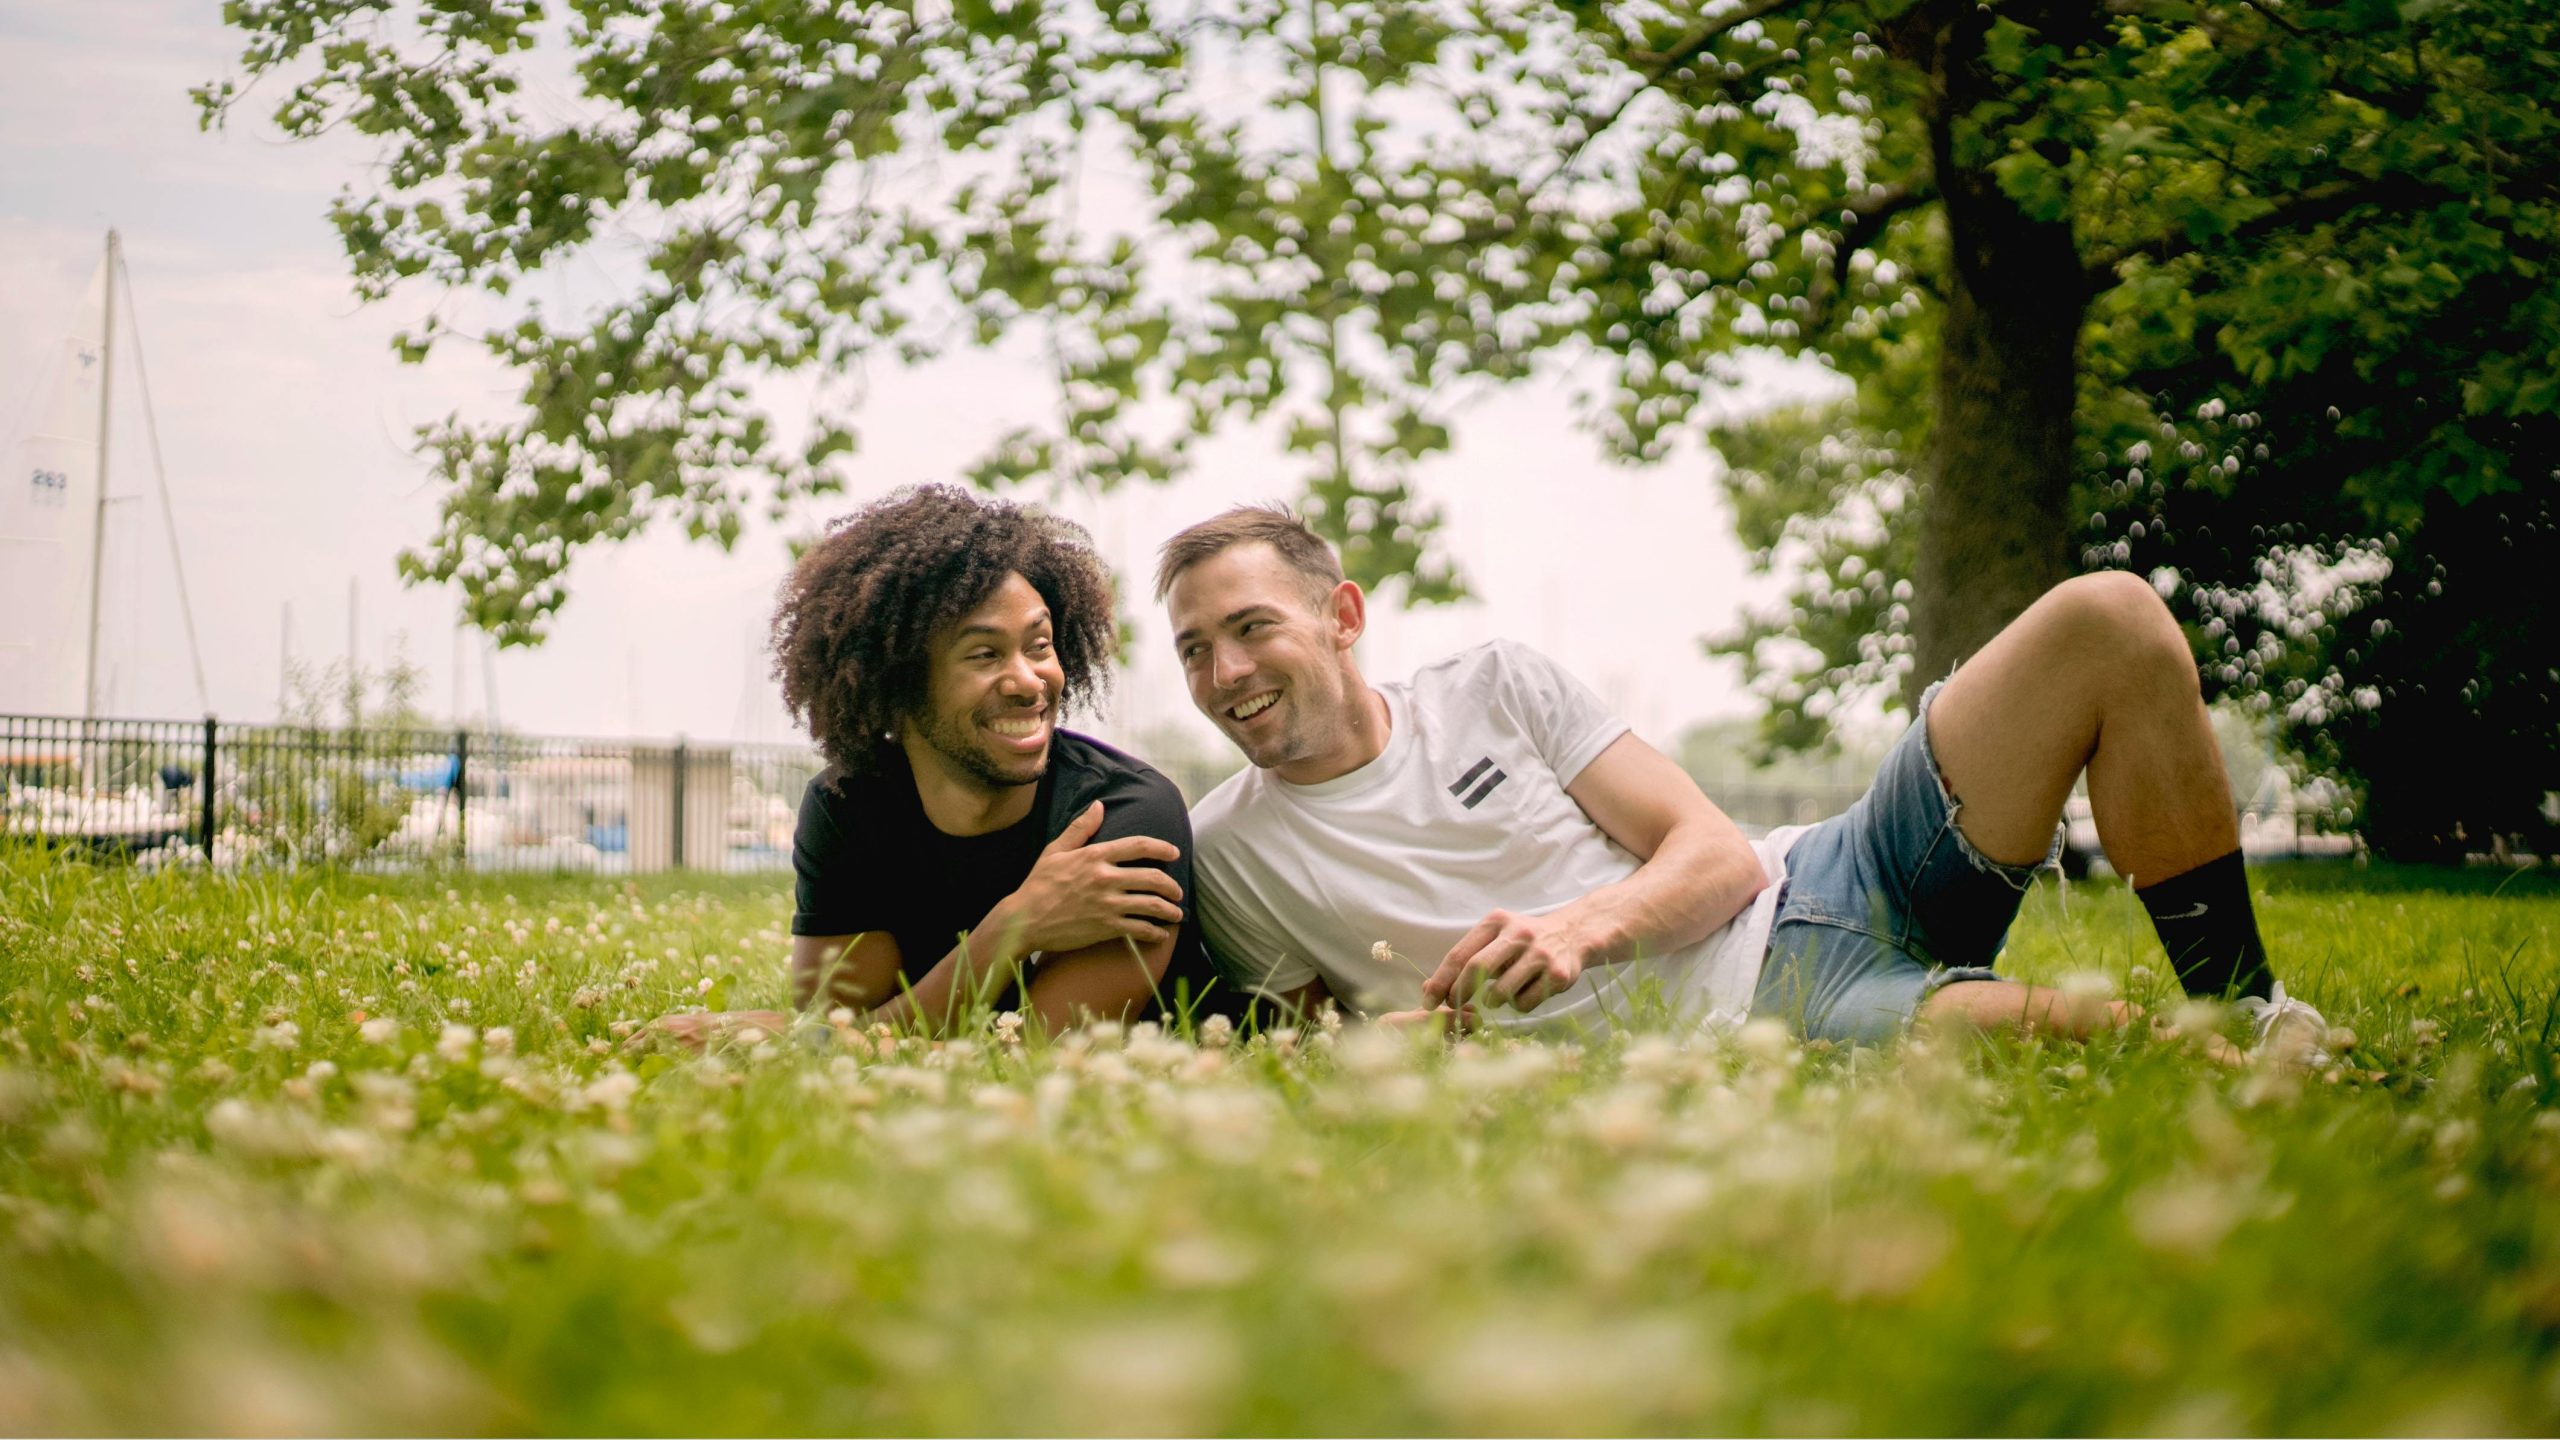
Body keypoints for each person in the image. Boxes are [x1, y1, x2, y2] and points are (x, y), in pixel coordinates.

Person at [1157, 505, 2329, 1058]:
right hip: (1761, 1011)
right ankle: (2225, 1049)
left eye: (1251, 627)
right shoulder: (1236, 851)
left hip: (1832, 868)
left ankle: (2248, 996)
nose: (1226, 672)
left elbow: (1712, 854)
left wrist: (1581, 928)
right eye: (1195, 650)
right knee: (2128, 1050)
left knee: (2107, 619)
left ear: (1342, 616)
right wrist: (1400, 1047)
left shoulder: (1493, 687)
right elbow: (1299, 1047)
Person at [659, 485, 1224, 1045]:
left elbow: (1033, 1052)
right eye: (984, 654)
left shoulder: (1125, 817)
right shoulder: (848, 808)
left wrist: (1010, 927)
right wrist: (1017, 925)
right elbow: (837, 1025)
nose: (1029, 681)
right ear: (898, 685)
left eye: (1039, 645)